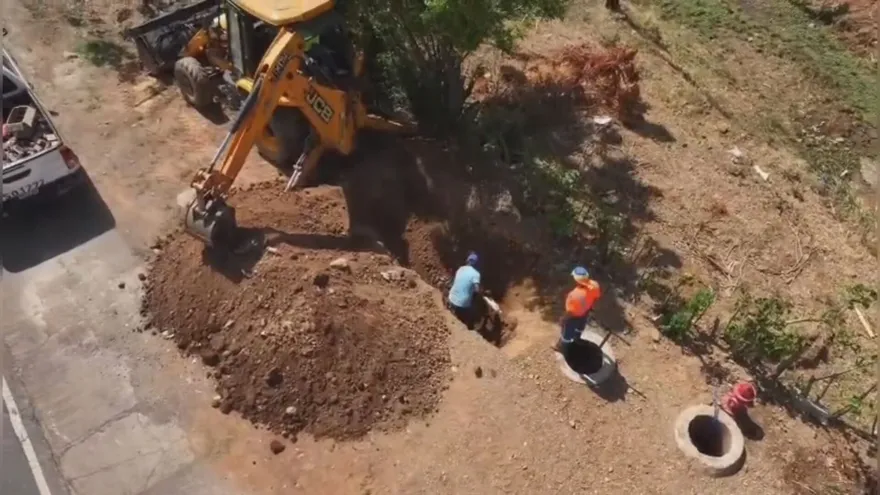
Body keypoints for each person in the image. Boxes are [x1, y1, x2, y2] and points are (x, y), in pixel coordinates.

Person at [553, 266, 601, 355]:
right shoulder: (595, 285)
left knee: (567, 333)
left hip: (574, 317)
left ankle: (561, 348)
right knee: (579, 328)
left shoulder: (574, 296)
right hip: (585, 312)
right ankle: (577, 339)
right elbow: (596, 298)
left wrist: (563, 319)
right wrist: (590, 307)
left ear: (576, 280)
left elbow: (570, 312)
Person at [447, 252, 482, 329]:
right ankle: (470, 326)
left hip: (451, 298)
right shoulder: (476, 274)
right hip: (462, 305)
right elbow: (477, 289)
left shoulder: (460, 269)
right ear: (476, 264)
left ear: (467, 260)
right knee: (475, 303)